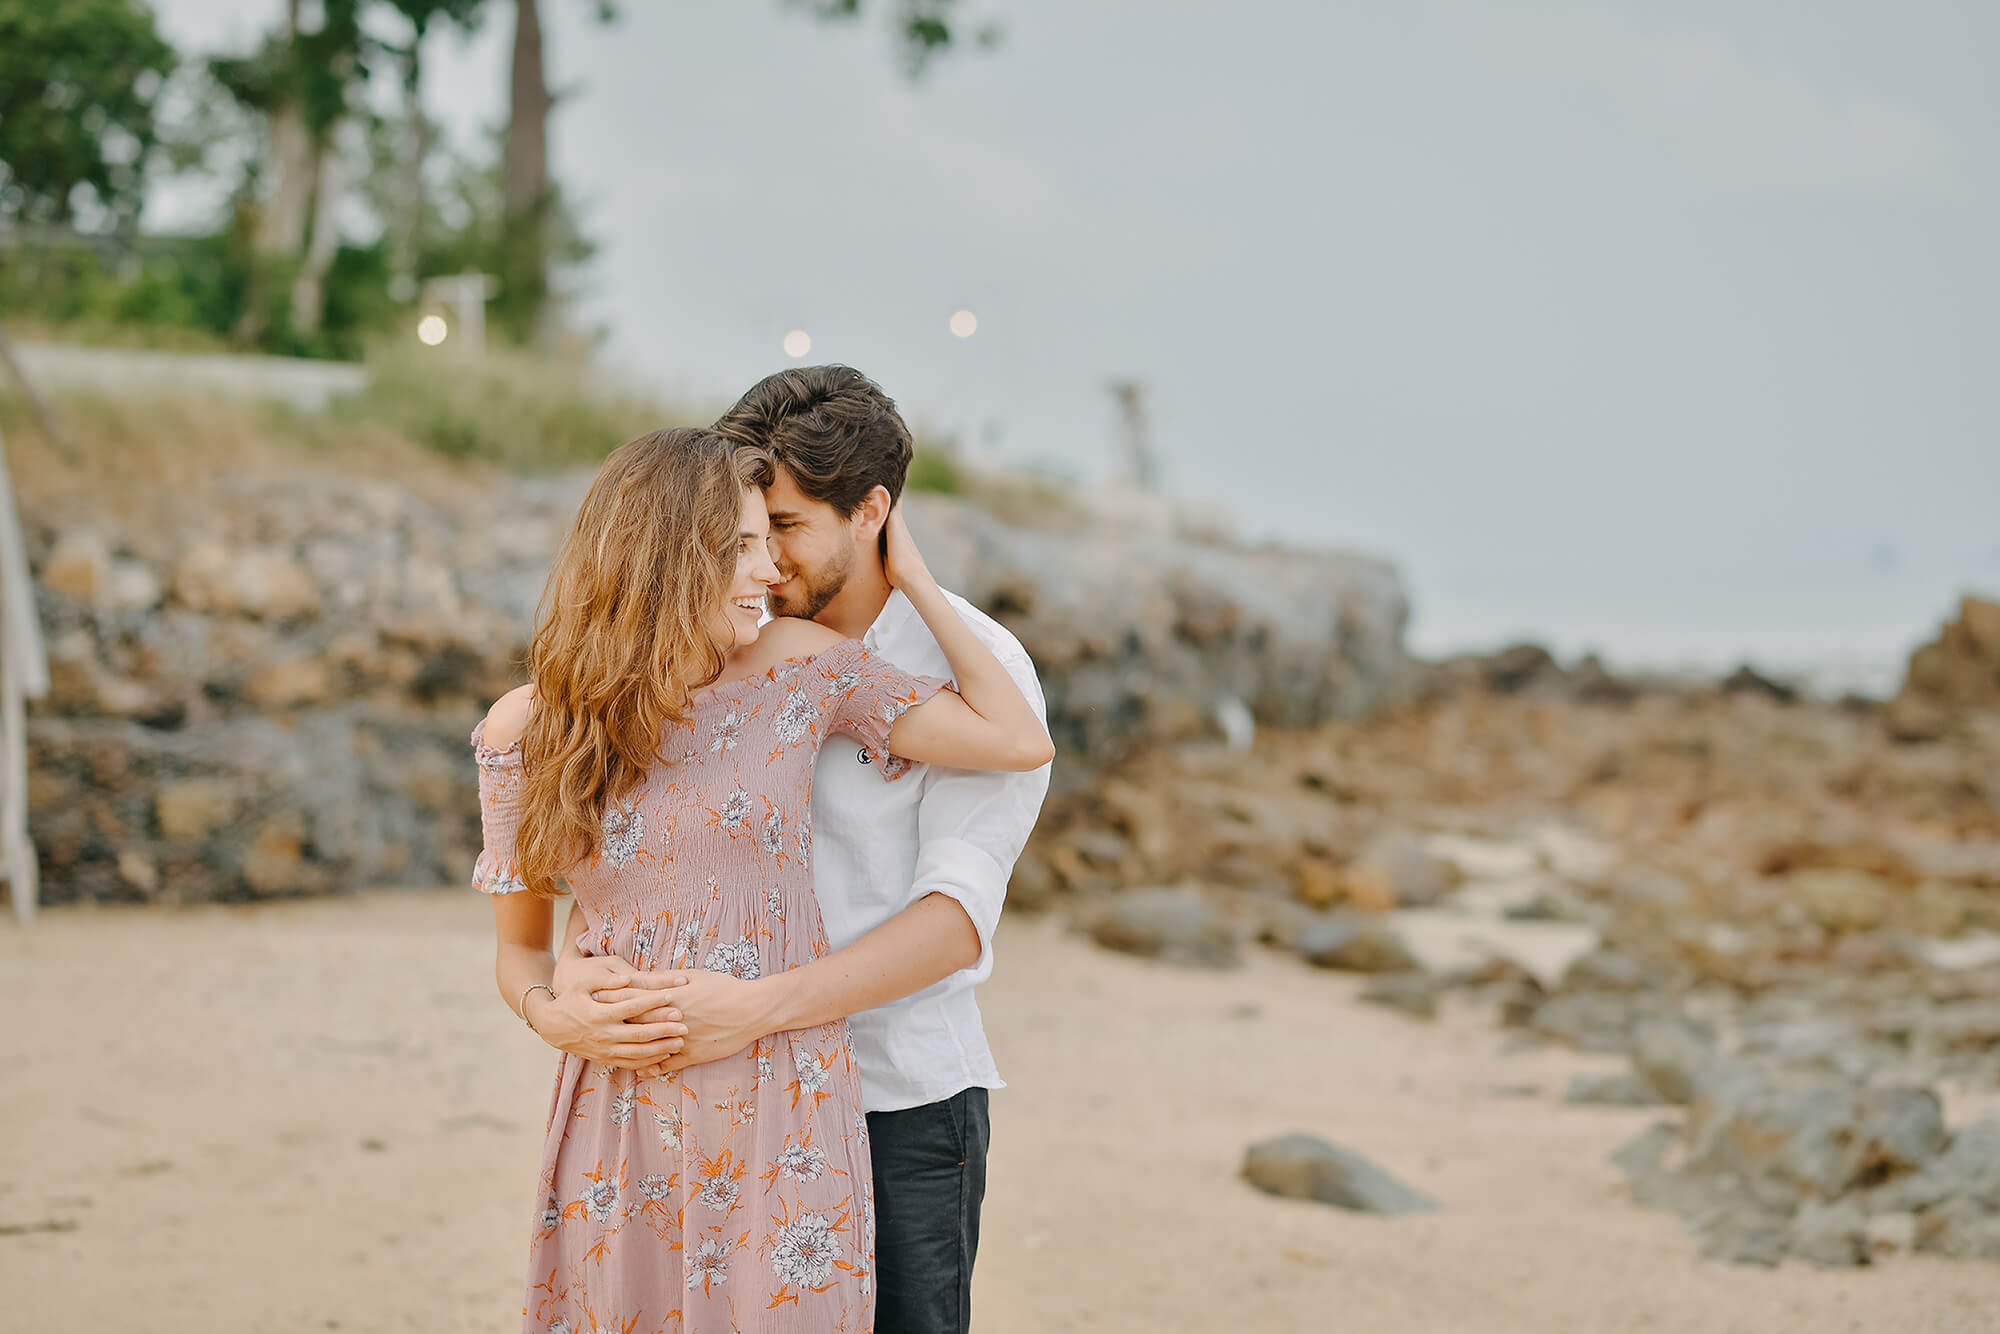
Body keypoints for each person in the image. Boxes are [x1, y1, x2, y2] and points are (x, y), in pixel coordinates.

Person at [473, 425, 1051, 1334]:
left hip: (783, 1099)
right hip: (620, 1108)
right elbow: (519, 954)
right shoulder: (526, 728)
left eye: (771, 539)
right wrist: (556, 1011)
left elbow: (1019, 743)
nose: (768, 572)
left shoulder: (797, 669)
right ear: (664, 559)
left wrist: (917, 584)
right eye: (740, 547)